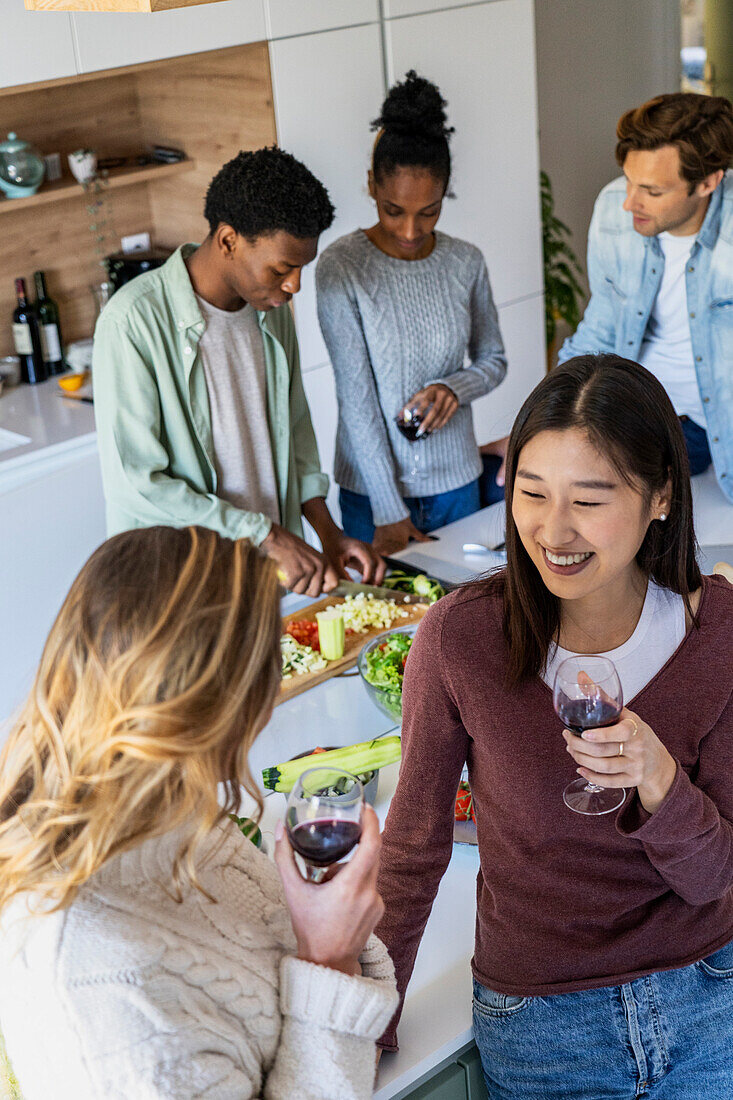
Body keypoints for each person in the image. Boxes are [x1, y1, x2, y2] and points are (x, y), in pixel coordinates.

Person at [375, 354, 733, 1097]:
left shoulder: (719, 636)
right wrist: (365, 1022)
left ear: (661, 495)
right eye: (531, 493)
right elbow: (411, 849)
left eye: (589, 500)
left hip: (709, 999)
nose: (552, 530)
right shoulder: (458, 640)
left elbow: (715, 881)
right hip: (539, 1022)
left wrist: (658, 780)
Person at [0, 526, 398, 1099]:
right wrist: (331, 961)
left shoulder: (169, 807)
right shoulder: (95, 982)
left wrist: (330, 933)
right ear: (224, 702)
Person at [93, 147, 383, 597]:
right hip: (182, 584)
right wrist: (266, 536)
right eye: (283, 268)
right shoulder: (132, 322)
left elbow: (297, 432)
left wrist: (328, 532)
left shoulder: (271, 310)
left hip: (271, 575)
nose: (294, 286)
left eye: (301, 269)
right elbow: (139, 483)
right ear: (228, 240)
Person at [316, 72, 507, 556]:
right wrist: (389, 511)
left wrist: (452, 389)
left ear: (445, 195)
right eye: (393, 209)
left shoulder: (466, 261)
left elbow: (493, 359)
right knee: (382, 625)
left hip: (455, 487)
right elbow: (357, 400)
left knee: (460, 626)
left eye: (429, 211)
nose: (409, 228)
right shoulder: (343, 266)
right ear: (370, 185)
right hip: (370, 499)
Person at [559, 92, 733, 501]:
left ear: (708, 182)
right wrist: (549, 417)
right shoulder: (612, 210)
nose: (628, 202)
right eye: (628, 180)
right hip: (639, 410)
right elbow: (599, 328)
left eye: (651, 191)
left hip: (714, 421)